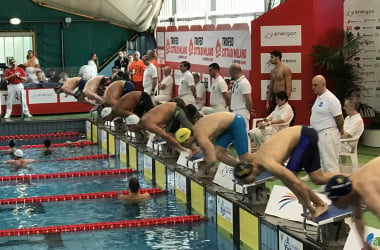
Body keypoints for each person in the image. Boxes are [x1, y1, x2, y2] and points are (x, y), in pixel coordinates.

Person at [236, 126, 345, 219]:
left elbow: (295, 182)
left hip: (304, 137)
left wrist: (308, 204)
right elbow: (288, 182)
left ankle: (320, 204)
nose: (253, 181)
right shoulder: (256, 159)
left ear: (251, 173)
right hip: (302, 136)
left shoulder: (268, 164)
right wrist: (302, 200)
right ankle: (352, 179)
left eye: (250, 179)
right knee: (318, 178)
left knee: (291, 177)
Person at [176, 112, 254, 179]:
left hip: (236, 122)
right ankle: (241, 168)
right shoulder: (196, 132)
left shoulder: (200, 136)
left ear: (188, 138)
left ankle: (264, 156)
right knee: (218, 154)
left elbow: (213, 160)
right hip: (227, 127)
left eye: (184, 143)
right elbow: (207, 152)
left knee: (245, 157)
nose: (185, 145)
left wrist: (202, 171)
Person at [325, 157, 380, 250]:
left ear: (345, 195)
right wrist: (364, 243)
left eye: (335, 200)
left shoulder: (367, 192)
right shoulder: (351, 186)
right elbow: (358, 217)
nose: (333, 205)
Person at [126, 101, 197, 154]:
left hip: (176, 109)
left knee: (192, 129)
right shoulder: (143, 122)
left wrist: (182, 148)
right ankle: (182, 151)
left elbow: (166, 137)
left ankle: (200, 146)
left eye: (129, 127)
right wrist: (157, 134)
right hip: (170, 114)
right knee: (169, 134)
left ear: (134, 125)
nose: (128, 129)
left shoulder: (148, 125)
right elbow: (159, 124)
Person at [310, 75, 344, 173]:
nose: (313, 87)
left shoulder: (331, 99)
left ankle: (334, 187)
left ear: (323, 84)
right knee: (322, 162)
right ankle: (324, 184)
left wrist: (340, 129)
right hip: (319, 134)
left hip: (328, 134)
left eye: (315, 85)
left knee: (330, 164)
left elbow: (339, 118)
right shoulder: (319, 97)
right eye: (312, 85)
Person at [229, 63, 253, 131]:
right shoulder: (237, 82)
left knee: (244, 134)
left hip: (242, 112)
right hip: (235, 111)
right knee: (236, 134)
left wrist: (250, 110)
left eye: (230, 72)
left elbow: (248, 99)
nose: (229, 74)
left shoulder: (244, 83)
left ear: (233, 71)